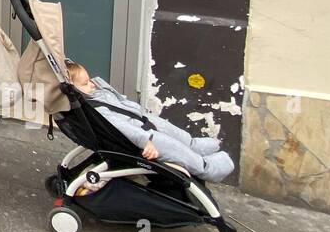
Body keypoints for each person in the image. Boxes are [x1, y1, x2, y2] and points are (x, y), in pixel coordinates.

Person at [65, 61, 234, 182]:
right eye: (86, 84)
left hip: (142, 120)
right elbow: (122, 127)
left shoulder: (97, 92)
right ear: (74, 91)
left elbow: (119, 101)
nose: (92, 84)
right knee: (176, 151)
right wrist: (145, 141)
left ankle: (194, 145)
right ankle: (207, 168)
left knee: (179, 136)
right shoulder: (96, 109)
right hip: (142, 138)